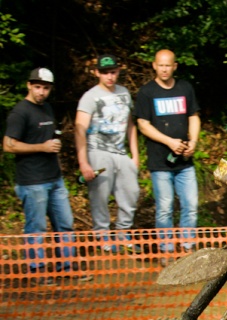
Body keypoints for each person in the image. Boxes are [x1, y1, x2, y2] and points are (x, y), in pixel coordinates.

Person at [3, 68, 83, 283]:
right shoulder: (20, 112)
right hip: (31, 180)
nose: (41, 91)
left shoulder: (47, 108)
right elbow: (8, 146)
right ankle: (36, 270)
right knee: (36, 227)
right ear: (29, 85)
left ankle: (67, 266)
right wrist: (42, 147)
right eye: (37, 87)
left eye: (45, 88)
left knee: (65, 223)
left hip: (54, 178)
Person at [134, 49, 200, 257]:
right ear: (154, 66)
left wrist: (194, 142)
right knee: (165, 208)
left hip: (185, 161)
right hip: (159, 162)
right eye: (160, 65)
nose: (164, 69)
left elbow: (194, 116)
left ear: (174, 66)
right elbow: (143, 125)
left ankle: (188, 249)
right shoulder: (146, 92)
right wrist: (169, 142)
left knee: (191, 205)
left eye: (168, 65)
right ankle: (166, 250)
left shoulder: (185, 88)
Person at [75, 54, 141, 253]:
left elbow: (130, 124)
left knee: (131, 192)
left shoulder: (124, 92)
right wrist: (84, 162)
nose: (109, 76)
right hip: (98, 150)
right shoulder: (90, 97)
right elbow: (79, 129)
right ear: (97, 73)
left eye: (113, 72)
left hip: (120, 152)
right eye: (105, 73)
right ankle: (102, 237)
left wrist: (135, 154)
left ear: (118, 71)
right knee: (100, 196)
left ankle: (123, 234)